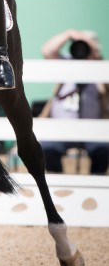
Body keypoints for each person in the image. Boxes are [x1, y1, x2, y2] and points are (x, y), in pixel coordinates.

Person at [38, 29, 109, 174]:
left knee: (103, 150)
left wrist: (92, 53)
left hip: (93, 131)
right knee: (48, 149)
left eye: (86, 46)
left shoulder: (101, 67)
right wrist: (69, 34)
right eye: (79, 45)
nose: (82, 49)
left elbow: (96, 55)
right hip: (61, 130)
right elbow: (47, 51)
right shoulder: (66, 62)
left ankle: (95, 186)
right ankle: (58, 183)